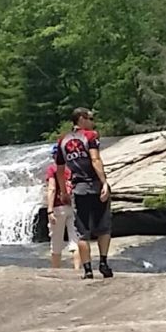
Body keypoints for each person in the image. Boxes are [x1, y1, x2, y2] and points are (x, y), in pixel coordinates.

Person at [57, 107, 114, 279]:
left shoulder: (62, 141)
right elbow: (95, 159)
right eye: (90, 118)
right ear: (81, 119)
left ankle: (88, 270)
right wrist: (104, 182)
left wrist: (63, 191)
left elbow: (60, 170)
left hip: (78, 189)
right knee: (103, 227)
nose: (92, 121)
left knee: (82, 231)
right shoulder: (90, 136)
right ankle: (103, 262)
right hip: (95, 186)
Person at [42, 145, 76, 271]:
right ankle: (77, 270)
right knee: (74, 240)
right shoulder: (72, 168)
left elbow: (52, 188)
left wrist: (49, 209)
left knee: (56, 242)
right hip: (72, 206)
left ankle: (56, 272)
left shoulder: (53, 169)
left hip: (58, 207)